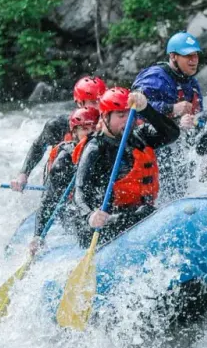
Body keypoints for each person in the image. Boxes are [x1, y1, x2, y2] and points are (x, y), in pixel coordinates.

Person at [73, 87, 180, 248]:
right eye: (121, 115)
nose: (127, 120)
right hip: (101, 224)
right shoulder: (95, 149)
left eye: (130, 113)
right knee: (145, 212)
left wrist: (146, 109)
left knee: (146, 211)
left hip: (138, 213)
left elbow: (172, 134)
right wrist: (90, 216)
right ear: (105, 117)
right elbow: (79, 192)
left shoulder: (140, 136)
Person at [132, 32, 204, 200]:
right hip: (151, 143)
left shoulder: (192, 83)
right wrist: (171, 108)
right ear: (173, 56)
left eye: (195, 55)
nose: (194, 60)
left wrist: (194, 121)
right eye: (188, 56)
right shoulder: (155, 76)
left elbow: (199, 115)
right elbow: (133, 105)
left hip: (177, 144)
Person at [10, 76, 106, 192]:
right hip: (59, 182)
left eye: (101, 101)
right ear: (80, 103)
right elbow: (38, 147)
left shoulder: (109, 127)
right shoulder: (58, 125)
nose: (99, 107)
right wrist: (24, 174)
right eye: (94, 102)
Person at [28, 106, 100, 256]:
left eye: (94, 128)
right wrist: (38, 235)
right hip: (72, 208)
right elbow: (48, 201)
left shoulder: (105, 147)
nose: (91, 133)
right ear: (74, 133)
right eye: (85, 129)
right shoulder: (64, 161)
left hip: (99, 205)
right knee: (84, 229)